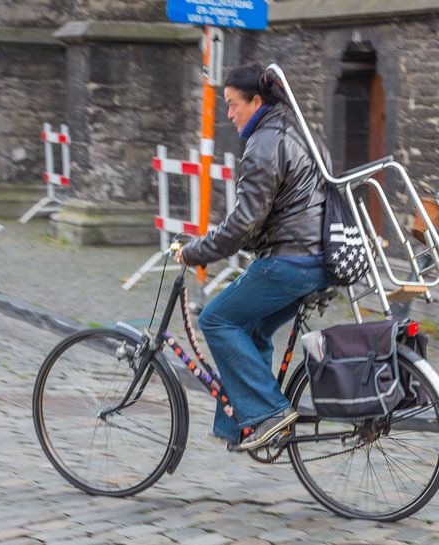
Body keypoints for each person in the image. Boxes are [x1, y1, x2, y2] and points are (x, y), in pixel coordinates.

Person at [175, 63, 329, 451]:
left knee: (215, 318)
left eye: (233, 104)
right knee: (251, 328)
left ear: (256, 102)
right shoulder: (299, 130)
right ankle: (240, 427)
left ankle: (270, 413)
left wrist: (195, 251)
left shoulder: (265, 143)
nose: (229, 114)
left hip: (290, 262)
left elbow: (245, 222)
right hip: (318, 259)